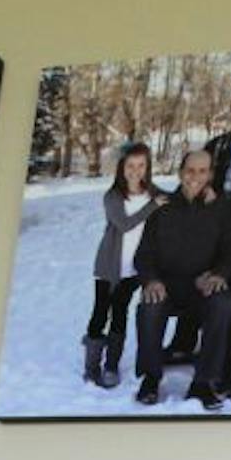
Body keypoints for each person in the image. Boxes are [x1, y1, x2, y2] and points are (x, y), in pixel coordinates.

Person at [134, 150, 231, 411]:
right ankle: (151, 377)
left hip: (202, 285)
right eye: (190, 170)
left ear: (211, 175)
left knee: (223, 304)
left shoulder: (221, 208)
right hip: (167, 284)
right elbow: (143, 254)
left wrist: (218, 274)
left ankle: (203, 381)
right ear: (180, 173)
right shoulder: (163, 207)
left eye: (203, 171)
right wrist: (151, 281)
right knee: (149, 306)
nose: (196, 177)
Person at [86, 141, 164, 388]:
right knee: (100, 314)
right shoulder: (112, 196)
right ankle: (91, 365)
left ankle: (111, 366)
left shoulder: (152, 191)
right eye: (130, 165)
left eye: (141, 165)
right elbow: (124, 223)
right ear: (121, 167)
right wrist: (152, 207)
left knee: (120, 314)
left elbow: (174, 200)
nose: (136, 170)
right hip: (109, 267)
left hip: (133, 269)